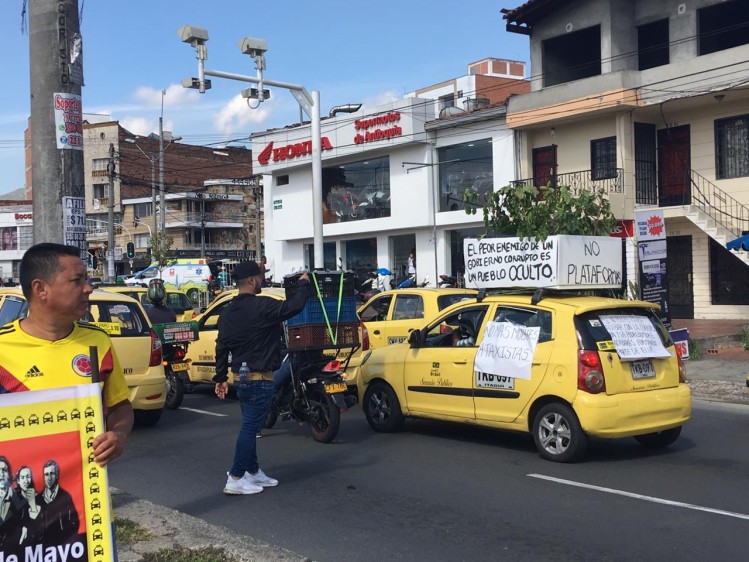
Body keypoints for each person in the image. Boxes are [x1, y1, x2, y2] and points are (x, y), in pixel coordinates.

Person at [0, 243, 133, 468]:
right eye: (77, 280)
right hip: (18, 494)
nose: (88, 288)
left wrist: (118, 435)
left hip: (86, 495)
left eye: (87, 280)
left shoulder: (98, 342)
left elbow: (120, 406)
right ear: (40, 289)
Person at [213, 261, 310, 495]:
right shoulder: (262, 306)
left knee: (250, 424)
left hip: (241, 378)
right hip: (260, 378)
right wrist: (304, 284)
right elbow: (294, 306)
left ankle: (253, 472)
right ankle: (236, 477)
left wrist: (220, 378)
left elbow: (221, 347)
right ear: (252, 280)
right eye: (261, 277)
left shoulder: (227, 313)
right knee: (250, 428)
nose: (263, 280)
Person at [36, 460, 79, 545]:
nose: (49, 478)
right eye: (46, 474)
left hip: (62, 546)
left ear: (57, 475)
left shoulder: (65, 497)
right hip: (42, 549)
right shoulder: (37, 500)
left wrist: (65, 539)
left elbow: (74, 522)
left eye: (51, 474)